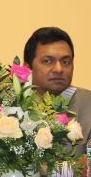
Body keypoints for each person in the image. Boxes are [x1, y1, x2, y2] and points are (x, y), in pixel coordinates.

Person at [24, 27, 91, 156]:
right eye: (47, 61)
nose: (59, 69)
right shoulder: (6, 110)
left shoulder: (88, 105)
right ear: (28, 68)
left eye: (66, 62)